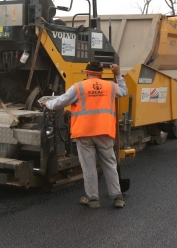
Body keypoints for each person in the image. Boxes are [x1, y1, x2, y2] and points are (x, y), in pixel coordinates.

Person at [43, 61, 128, 209]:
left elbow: (59, 103)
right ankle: (117, 198)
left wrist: (47, 104)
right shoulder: (110, 86)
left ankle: (93, 199)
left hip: (84, 132)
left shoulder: (79, 87)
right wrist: (118, 74)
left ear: (87, 73)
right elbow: (124, 91)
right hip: (105, 132)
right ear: (101, 74)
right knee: (109, 164)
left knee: (89, 167)